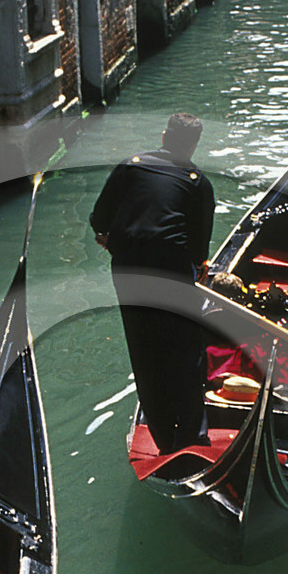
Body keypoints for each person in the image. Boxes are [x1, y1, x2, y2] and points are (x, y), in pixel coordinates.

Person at [90, 112, 215, 454]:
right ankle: (192, 436)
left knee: (146, 353)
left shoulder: (129, 166)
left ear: (163, 137)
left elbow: (99, 220)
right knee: (186, 352)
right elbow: (198, 248)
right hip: (172, 272)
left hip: (128, 269)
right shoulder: (197, 182)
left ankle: (164, 439)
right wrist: (198, 267)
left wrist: (109, 238)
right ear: (192, 145)